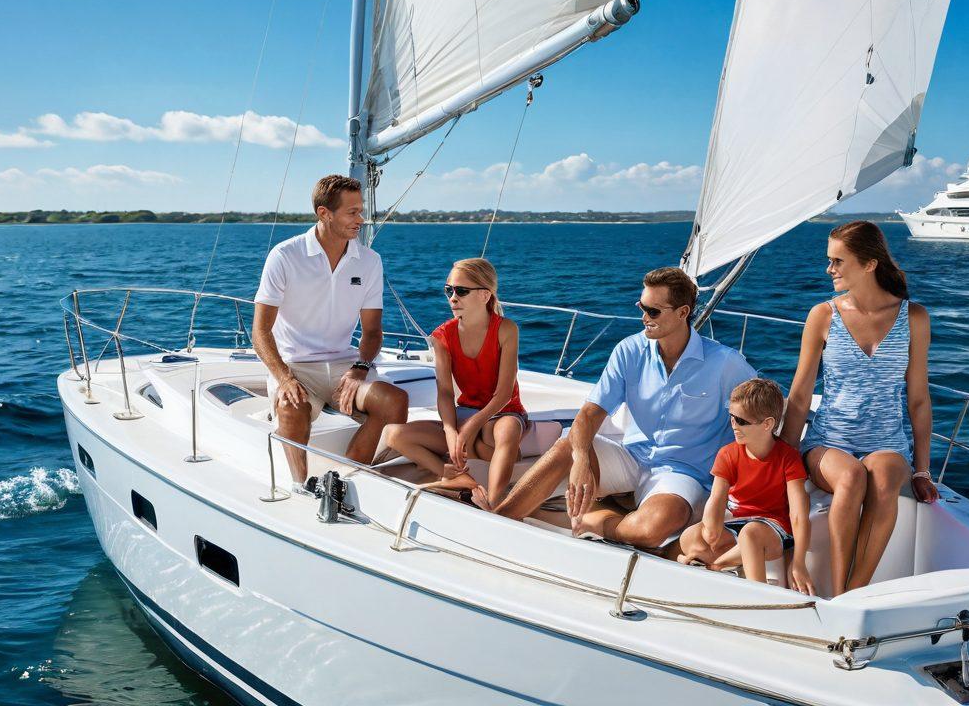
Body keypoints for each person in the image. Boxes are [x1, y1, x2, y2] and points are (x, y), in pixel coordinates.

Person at [491, 267, 756, 550]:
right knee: (566, 445)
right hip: (631, 457)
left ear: (682, 312)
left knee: (652, 530)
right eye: (641, 307)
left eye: (653, 312)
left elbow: (766, 410)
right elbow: (590, 414)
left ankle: (595, 520)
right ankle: (499, 520)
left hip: (682, 473)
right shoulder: (629, 350)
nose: (643, 318)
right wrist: (581, 457)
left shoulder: (725, 363)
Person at [783, 221, 938, 597]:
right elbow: (801, 395)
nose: (829, 269)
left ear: (869, 264)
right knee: (851, 477)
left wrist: (922, 469)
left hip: (887, 442)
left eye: (838, 261)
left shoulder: (913, 317)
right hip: (827, 442)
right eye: (829, 260)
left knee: (883, 479)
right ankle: (838, 592)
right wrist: (781, 463)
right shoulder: (823, 315)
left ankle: (855, 591)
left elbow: (918, 398)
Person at [252, 174, 408, 491]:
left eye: (360, 210)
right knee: (290, 406)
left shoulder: (369, 261)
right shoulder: (285, 256)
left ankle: (346, 479)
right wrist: (284, 377)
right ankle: (300, 484)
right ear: (325, 213)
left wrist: (359, 369)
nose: (361, 220)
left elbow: (373, 331)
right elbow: (261, 330)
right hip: (295, 364)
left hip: (343, 365)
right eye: (352, 212)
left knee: (394, 401)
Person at [384, 258, 528, 509]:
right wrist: (451, 432)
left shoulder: (506, 329)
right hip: (466, 411)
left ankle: (495, 505)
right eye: (448, 290)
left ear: (485, 295)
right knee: (395, 435)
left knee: (505, 432)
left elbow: (504, 393)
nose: (452, 298)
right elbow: (445, 392)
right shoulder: (442, 336)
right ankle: (460, 479)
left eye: (461, 291)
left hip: (504, 411)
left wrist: (470, 428)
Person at [677, 379, 813, 592]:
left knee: (750, 535)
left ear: (767, 424)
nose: (733, 426)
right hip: (737, 523)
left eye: (741, 421)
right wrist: (710, 530)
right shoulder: (728, 454)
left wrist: (798, 562)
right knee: (691, 536)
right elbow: (716, 499)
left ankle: (757, 594)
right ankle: (718, 566)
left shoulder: (788, 458)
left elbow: (798, 515)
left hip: (774, 528)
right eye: (731, 418)